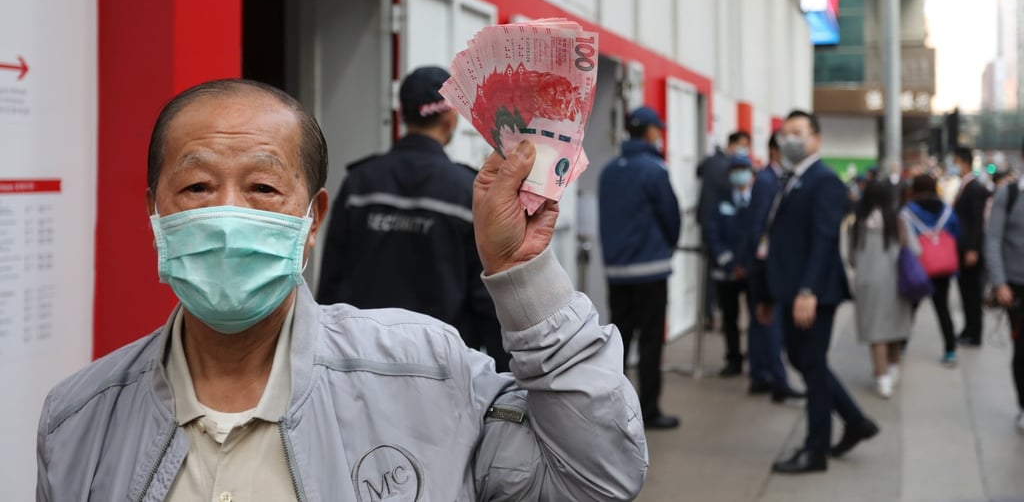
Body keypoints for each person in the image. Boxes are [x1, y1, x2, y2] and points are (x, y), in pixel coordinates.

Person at [36, 79, 648, 500]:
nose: (227, 214)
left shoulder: (429, 377)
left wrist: (526, 279)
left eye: (264, 189)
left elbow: (597, 480)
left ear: (312, 219)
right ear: (155, 211)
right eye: (196, 187)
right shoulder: (78, 419)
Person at [317, 66, 509, 371]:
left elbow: (331, 282)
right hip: (442, 370)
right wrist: (504, 379)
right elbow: (484, 297)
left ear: (401, 115)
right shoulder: (467, 191)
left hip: (359, 362)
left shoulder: (360, 183)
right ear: (449, 117)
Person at [756, 110, 878, 474]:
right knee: (806, 361)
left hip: (813, 293)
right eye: (784, 133)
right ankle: (855, 421)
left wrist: (808, 290)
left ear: (816, 139)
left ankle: (816, 449)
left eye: (798, 132)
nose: (789, 139)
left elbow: (825, 239)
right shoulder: (792, 179)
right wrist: (767, 295)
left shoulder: (824, 181)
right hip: (791, 290)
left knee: (810, 363)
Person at [599, 105, 682, 430]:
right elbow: (671, 216)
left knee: (619, 342)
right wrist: (667, 246)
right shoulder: (654, 169)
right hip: (650, 270)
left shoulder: (609, 171)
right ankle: (648, 409)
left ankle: (611, 410)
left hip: (617, 271)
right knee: (650, 341)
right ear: (649, 132)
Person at [737, 132, 804, 403]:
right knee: (769, 321)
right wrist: (759, 259)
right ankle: (777, 378)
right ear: (776, 151)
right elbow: (760, 225)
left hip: (762, 261)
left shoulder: (773, 178)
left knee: (760, 321)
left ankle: (761, 374)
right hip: (765, 263)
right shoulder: (768, 180)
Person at [848, 181, 915, 398]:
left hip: (867, 283)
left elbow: (851, 258)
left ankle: (881, 376)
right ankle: (892, 369)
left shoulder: (857, 224)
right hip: (895, 282)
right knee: (894, 326)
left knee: (876, 331)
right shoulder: (898, 222)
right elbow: (916, 250)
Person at [983, 143, 1024, 433]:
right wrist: (999, 282)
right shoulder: (1008, 194)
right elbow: (993, 238)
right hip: (1017, 287)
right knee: (1022, 351)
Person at [903, 174, 961, 367]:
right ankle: (950, 350)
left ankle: (901, 344)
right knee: (943, 309)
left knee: (910, 308)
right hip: (942, 268)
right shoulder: (946, 209)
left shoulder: (908, 211)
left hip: (916, 267)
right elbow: (955, 232)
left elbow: (903, 238)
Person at [705, 154, 754, 378]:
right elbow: (712, 232)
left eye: (742, 169)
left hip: (752, 270)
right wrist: (731, 263)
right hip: (726, 270)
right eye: (734, 169)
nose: (738, 173)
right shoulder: (721, 199)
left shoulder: (757, 199)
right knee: (730, 318)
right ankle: (733, 360)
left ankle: (758, 361)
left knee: (758, 317)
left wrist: (746, 264)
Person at [697, 130, 752, 328]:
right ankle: (709, 315)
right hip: (721, 250)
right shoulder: (716, 168)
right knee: (722, 298)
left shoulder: (755, 197)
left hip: (746, 262)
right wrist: (728, 259)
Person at [950, 146, 990, 347]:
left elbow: (977, 222)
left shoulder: (975, 188)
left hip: (970, 250)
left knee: (973, 293)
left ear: (963, 161)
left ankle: (975, 333)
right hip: (963, 249)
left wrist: (973, 248)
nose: (953, 166)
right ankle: (968, 329)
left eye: (955, 161)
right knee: (965, 292)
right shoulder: (965, 186)